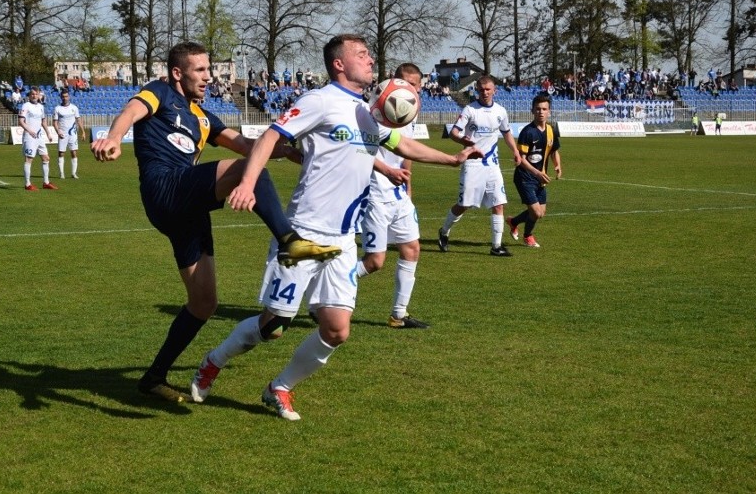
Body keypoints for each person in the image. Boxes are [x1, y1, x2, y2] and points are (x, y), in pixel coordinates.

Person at [189, 34, 481, 420]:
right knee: (275, 324)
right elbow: (272, 136)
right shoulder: (320, 101)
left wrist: (452, 159)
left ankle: (280, 388)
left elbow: (400, 145)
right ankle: (213, 361)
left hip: (343, 239)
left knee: (337, 330)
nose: (370, 60)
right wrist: (246, 183)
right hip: (304, 231)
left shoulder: (365, 112)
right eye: (361, 55)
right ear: (339, 64)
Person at [90, 42, 341, 403]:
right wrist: (114, 137)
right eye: (201, 71)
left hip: (188, 209)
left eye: (210, 70)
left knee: (204, 302)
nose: (209, 77)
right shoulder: (158, 92)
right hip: (165, 188)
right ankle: (289, 240)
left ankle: (153, 377)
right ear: (178, 73)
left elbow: (240, 142)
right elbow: (131, 111)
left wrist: (285, 149)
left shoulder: (204, 117)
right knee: (246, 171)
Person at [357, 62, 429, 329]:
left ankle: (398, 315)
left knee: (412, 248)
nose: (407, 88)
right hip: (375, 191)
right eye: (403, 81)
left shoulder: (408, 112)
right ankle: (323, 294)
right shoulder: (370, 112)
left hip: (398, 193)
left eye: (413, 84)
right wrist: (386, 171)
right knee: (375, 262)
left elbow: (407, 152)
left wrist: (408, 189)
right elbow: (360, 150)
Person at [438, 75, 522, 257]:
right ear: (477, 90)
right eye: (481, 90)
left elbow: (506, 133)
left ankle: (496, 246)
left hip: (492, 164)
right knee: (464, 204)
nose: (484, 93)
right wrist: (463, 140)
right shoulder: (470, 110)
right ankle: (444, 232)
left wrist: (515, 151)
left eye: (488, 89)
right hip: (472, 164)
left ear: (494, 91)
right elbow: (453, 133)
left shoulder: (500, 111)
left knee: (498, 203)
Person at [506, 94, 562, 248]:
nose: (541, 112)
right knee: (536, 213)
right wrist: (537, 173)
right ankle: (528, 236)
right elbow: (521, 159)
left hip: (539, 178)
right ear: (532, 110)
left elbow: (554, 151)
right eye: (538, 109)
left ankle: (513, 221)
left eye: (544, 109)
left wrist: (557, 166)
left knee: (541, 213)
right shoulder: (527, 132)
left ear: (549, 111)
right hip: (525, 177)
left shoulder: (551, 130)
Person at [19, 87, 58, 191]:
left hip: (39, 136)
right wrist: (29, 130)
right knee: (29, 159)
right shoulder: (26, 106)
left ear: (39, 95)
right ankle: (27, 184)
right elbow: (21, 121)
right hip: (30, 136)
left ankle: (46, 182)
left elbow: (43, 121)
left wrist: (48, 133)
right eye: (32, 94)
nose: (34, 96)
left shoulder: (41, 106)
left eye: (36, 94)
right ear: (29, 95)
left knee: (46, 158)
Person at [53, 90, 84, 179]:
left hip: (73, 134)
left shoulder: (74, 108)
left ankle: (73, 173)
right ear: (61, 97)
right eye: (63, 96)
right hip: (62, 134)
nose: (65, 98)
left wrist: (83, 131)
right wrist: (58, 131)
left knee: (74, 153)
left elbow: (78, 120)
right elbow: (54, 122)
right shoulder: (57, 108)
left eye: (66, 96)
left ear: (69, 97)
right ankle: (61, 173)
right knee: (61, 153)